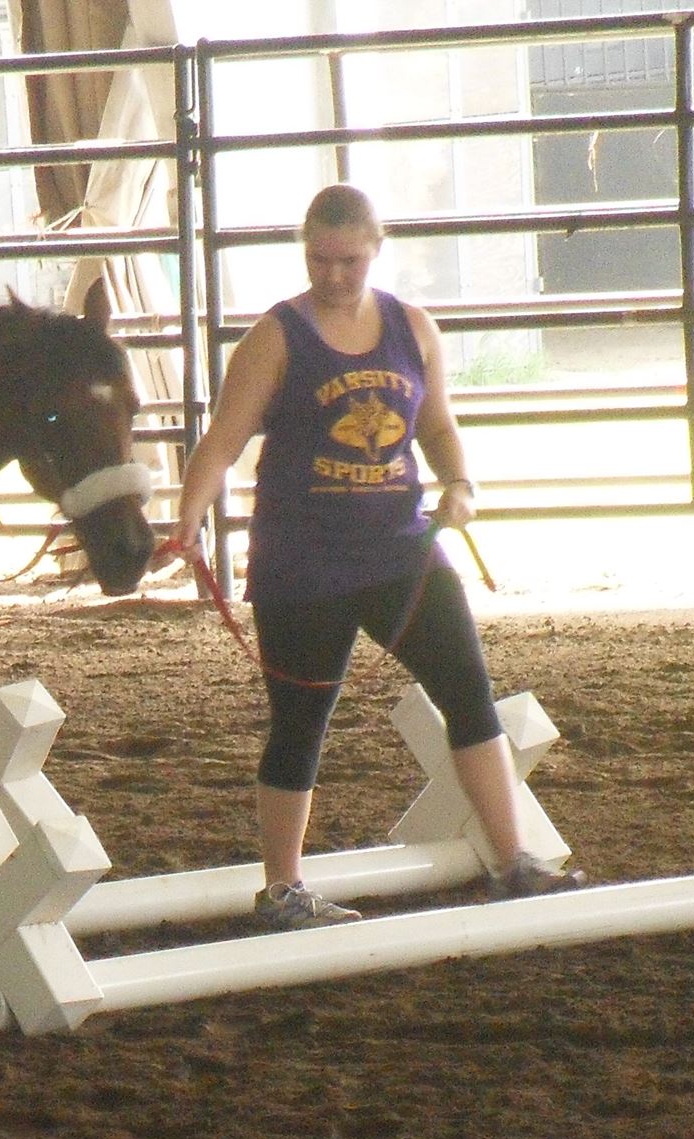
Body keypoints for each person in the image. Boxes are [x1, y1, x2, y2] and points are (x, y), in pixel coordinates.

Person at [166, 183, 586, 926]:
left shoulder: (413, 328)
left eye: (349, 261)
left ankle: (512, 861)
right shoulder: (275, 338)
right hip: (302, 565)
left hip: (400, 552)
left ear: (376, 250)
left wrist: (461, 483)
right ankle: (282, 888)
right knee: (300, 721)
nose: (333, 276)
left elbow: (438, 427)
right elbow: (223, 441)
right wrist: (188, 519)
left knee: (469, 692)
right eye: (319, 260)